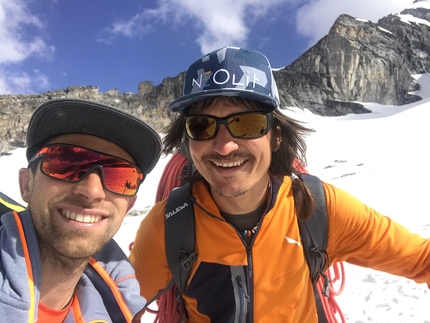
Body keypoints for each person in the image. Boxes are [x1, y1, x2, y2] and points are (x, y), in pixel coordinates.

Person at [129, 46, 430, 322]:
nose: (224, 147)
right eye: (201, 125)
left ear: (276, 136)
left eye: (247, 124)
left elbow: (421, 258)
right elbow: (114, 307)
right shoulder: (168, 225)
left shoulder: (318, 207)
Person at [0, 98, 162, 322]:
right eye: (66, 163)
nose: (92, 190)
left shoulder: (119, 309)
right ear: (27, 184)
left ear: (129, 206)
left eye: (120, 176)